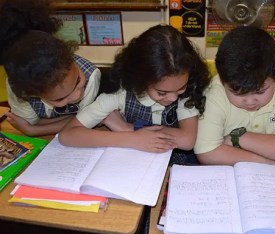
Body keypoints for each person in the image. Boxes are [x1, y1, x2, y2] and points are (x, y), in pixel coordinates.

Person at [59, 24, 211, 164]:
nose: (172, 98)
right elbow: (68, 135)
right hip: (134, 168)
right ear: (141, 80)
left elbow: (187, 140)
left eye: (180, 89)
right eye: (161, 92)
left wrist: (126, 128)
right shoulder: (120, 93)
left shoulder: (189, 88)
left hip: (176, 168)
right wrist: (131, 139)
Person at [194, 26, 275, 165]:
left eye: (260, 91)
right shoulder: (214, 92)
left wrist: (237, 138)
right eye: (237, 93)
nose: (250, 101)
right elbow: (207, 154)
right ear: (222, 80)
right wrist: (269, 163)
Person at [0, 0, 101, 137]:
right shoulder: (20, 87)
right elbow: (28, 121)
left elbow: (85, 119)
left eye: (78, 81)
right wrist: (72, 119)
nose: (77, 95)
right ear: (33, 94)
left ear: (70, 56)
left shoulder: (91, 74)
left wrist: (34, 130)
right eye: (60, 99)